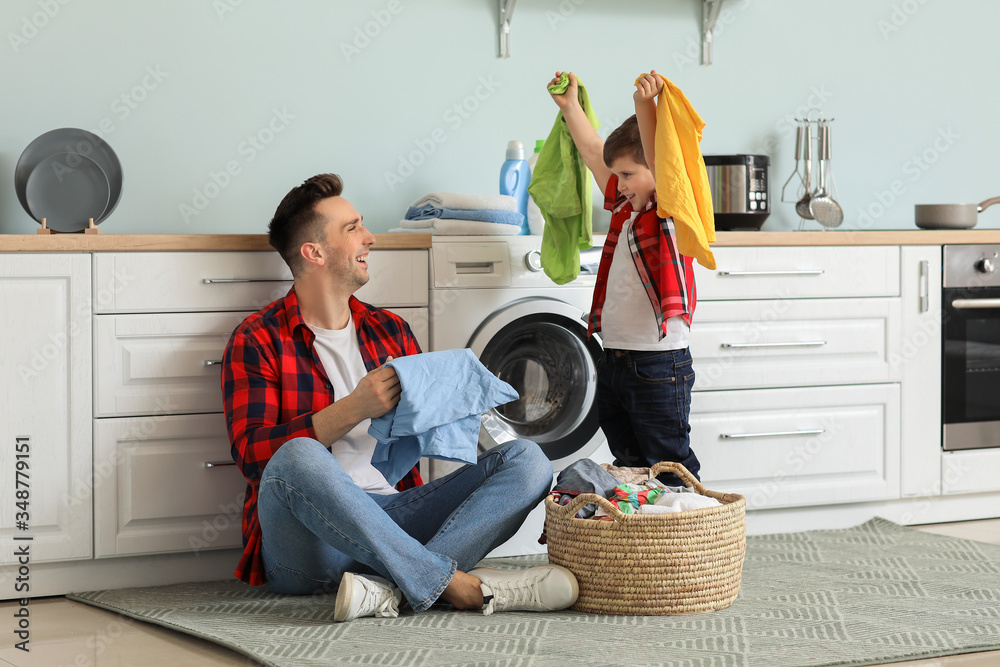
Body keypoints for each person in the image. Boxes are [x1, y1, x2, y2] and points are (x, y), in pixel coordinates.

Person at [220, 173, 578, 621]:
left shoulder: (389, 330)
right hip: (309, 545)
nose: (369, 238)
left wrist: (456, 393)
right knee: (298, 456)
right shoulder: (258, 338)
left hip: (394, 518)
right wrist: (354, 409)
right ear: (314, 252)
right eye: (352, 229)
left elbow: (430, 433)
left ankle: (390, 589)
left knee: (529, 461)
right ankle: (448, 584)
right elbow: (254, 457)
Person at [546, 70, 701, 487]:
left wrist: (643, 106)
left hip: (658, 363)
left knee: (668, 464)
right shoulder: (624, 209)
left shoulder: (668, 214)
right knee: (629, 465)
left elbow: (663, 160)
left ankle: (684, 540)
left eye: (630, 174)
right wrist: (571, 108)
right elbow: (596, 154)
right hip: (614, 359)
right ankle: (642, 546)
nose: (621, 183)